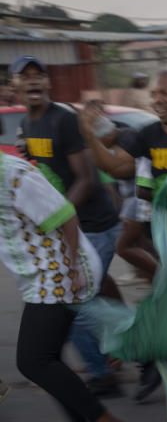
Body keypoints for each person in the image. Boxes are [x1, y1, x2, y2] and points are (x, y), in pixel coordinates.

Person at [82, 70, 167, 402]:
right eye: (154, 94)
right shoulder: (149, 135)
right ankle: (159, 363)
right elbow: (115, 167)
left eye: (166, 93)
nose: (157, 100)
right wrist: (89, 133)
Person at [0, 146, 134, 422]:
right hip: (39, 274)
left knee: (33, 360)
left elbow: (65, 215)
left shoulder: (13, 174)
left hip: (61, 268)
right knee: (48, 359)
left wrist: (73, 270)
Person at [12, 55, 124, 398]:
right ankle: (126, 348)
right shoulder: (29, 125)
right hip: (70, 226)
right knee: (90, 295)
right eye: (25, 76)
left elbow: (86, 178)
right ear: (15, 86)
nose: (33, 81)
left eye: (39, 75)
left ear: (48, 83)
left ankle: (106, 371)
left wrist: (54, 221)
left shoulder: (63, 120)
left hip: (93, 225)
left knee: (70, 303)